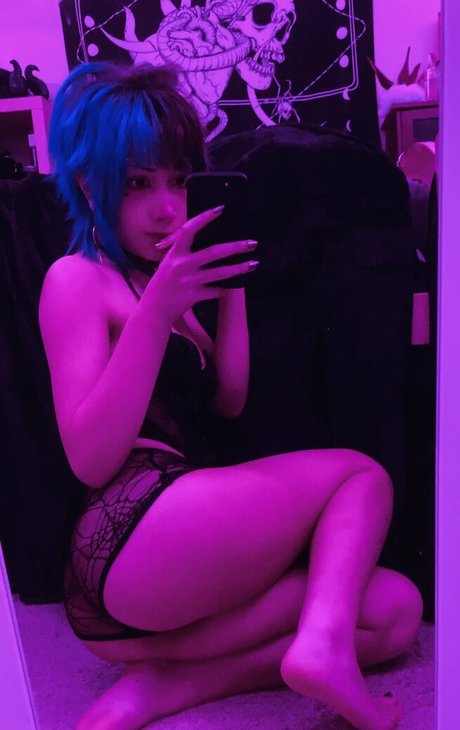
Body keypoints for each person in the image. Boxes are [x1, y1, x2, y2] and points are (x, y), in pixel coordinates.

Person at [39, 61, 423, 730]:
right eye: (138, 183)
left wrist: (231, 289)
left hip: (175, 562)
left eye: (179, 180)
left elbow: (228, 402)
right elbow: (90, 460)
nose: (167, 206)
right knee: (361, 476)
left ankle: (168, 686)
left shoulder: (167, 287)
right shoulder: (77, 279)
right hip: (129, 534)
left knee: (393, 610)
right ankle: (321, 647)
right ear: (89, 187)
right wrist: (157, 314)